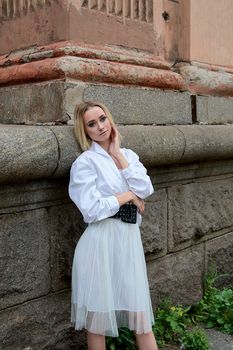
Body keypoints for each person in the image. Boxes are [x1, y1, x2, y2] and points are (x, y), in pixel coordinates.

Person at [68, 101, 158, 350]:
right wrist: (127, 196)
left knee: (141, 319)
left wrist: (117, 154)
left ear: (110, 119)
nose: (100, 127)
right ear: (84, 130)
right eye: (91, 124)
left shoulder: (128, 156)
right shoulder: (85, 163)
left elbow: (146, 188)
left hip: (128, 244)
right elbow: (91, 209)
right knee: (98, 323)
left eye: (102, 119)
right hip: (100, 245)